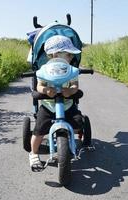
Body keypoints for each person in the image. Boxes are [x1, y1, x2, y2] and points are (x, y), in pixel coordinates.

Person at [29, 35, 83, 171]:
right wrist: (46, 90)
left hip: (67, 104)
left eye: (71, 55)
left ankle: (69, 143)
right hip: (48, 105)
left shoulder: (71, 71)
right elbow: (39, 86)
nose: (71, 58)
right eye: (68, 55)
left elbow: (75, 86)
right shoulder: (44, 71)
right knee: (39, 130)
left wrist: (70, 91)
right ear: (54, 55)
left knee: (77, 123)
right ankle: (34, 153)